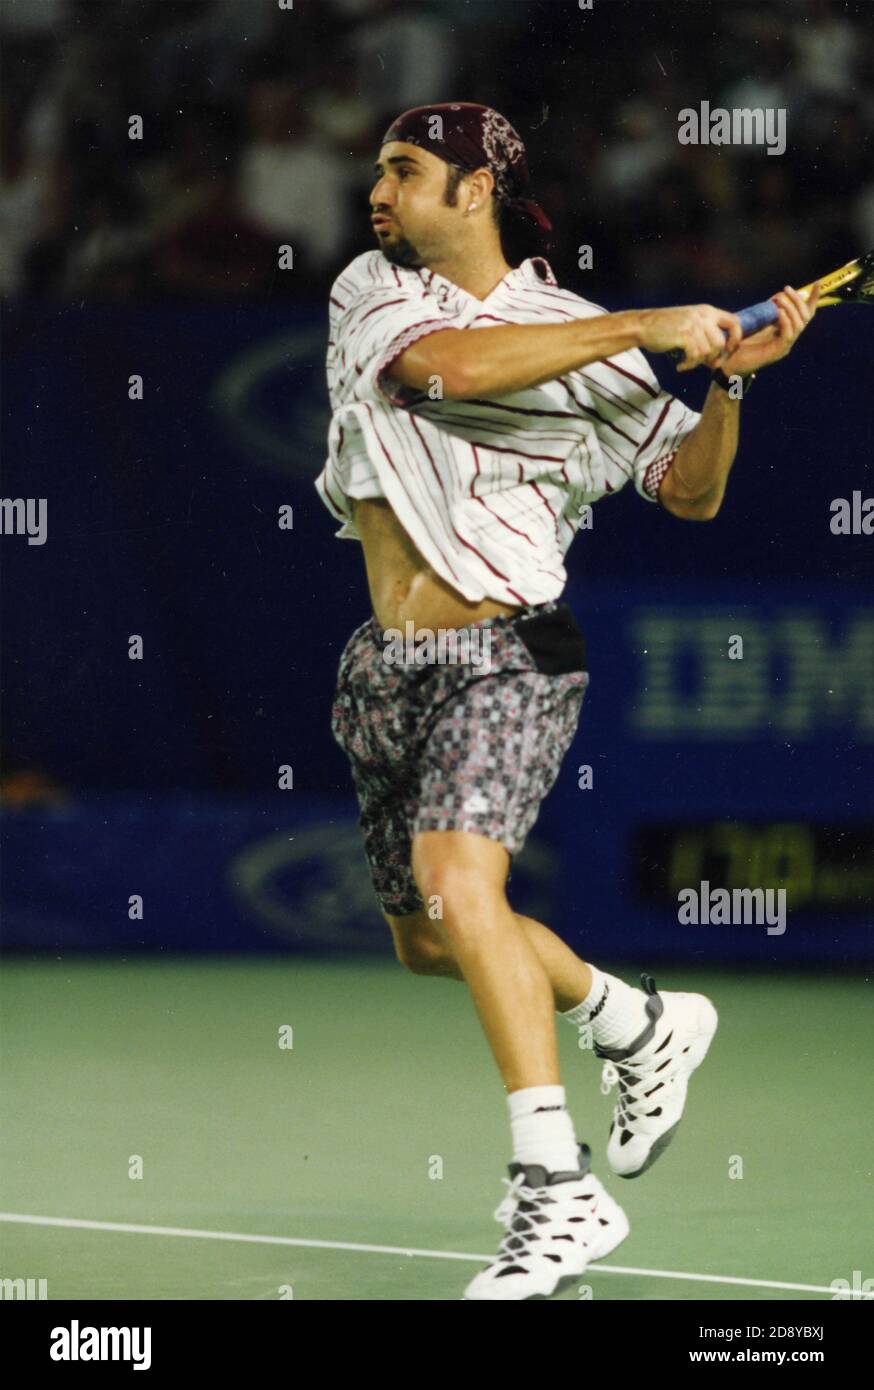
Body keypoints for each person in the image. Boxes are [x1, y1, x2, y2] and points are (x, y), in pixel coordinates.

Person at [315, 102, 819, 1301]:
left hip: (514, 651)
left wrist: (727, 393)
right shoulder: (373, 293)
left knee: (459, 884)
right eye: (378, 168)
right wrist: (643, 324)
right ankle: (638, 1024)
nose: (376, 191)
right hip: (386, 663)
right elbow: (441, 375)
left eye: (404, 170)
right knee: (430, 939)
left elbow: (684, 492)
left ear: (476, 189)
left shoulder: (581, 338)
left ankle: (553, 1189)